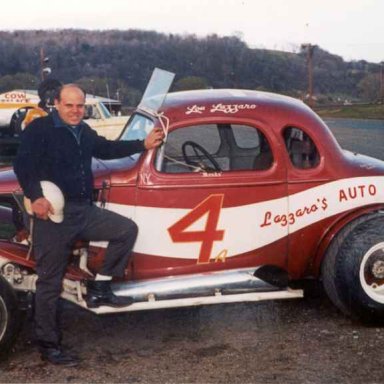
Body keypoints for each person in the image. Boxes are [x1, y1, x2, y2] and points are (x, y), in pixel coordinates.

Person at [14, 83, 164, 367]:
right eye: (69, 105)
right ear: (56, 103)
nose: (75, 111)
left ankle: (101, 288)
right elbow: (23, 165)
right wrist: (36, 197)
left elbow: (106, 149)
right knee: (50, 282)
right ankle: (49, 345)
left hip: (83, 211)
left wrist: (141, 144)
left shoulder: (83, 131)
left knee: (125, 230)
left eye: (80, 105)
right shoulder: (40, 130)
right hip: (54, 216)